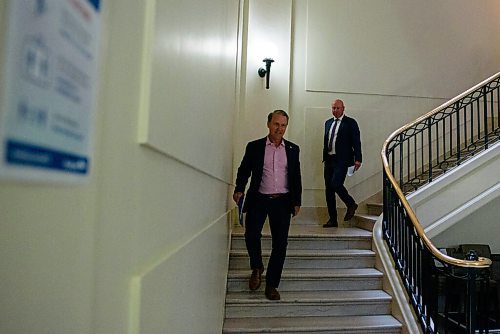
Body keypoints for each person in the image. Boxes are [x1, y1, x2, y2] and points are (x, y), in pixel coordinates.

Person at [233, 110, 302, 301]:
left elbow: (296, 176)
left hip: (282, 201)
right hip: (259, 199)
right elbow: (244, 169)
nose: (279, 129)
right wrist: (239, 188)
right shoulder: (254, 146)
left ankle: (272, 284)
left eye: (283, 125)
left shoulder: (293, 149)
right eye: (276, 124)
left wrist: (297, 201)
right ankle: (257, 266)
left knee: (280, 244)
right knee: (251, 234)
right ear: (268, 124)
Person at [322, 99, 362, 228]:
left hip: (343, 160)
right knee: (329, 190)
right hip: (329, 160)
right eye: (333, 108)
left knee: (336, 184)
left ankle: (351, 204)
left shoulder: (350, 123)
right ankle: (332, 220)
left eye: (338, 108)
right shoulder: (328, 123)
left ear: (343, 108)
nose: (335, 110)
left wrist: (358, 158)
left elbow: (356, 141)